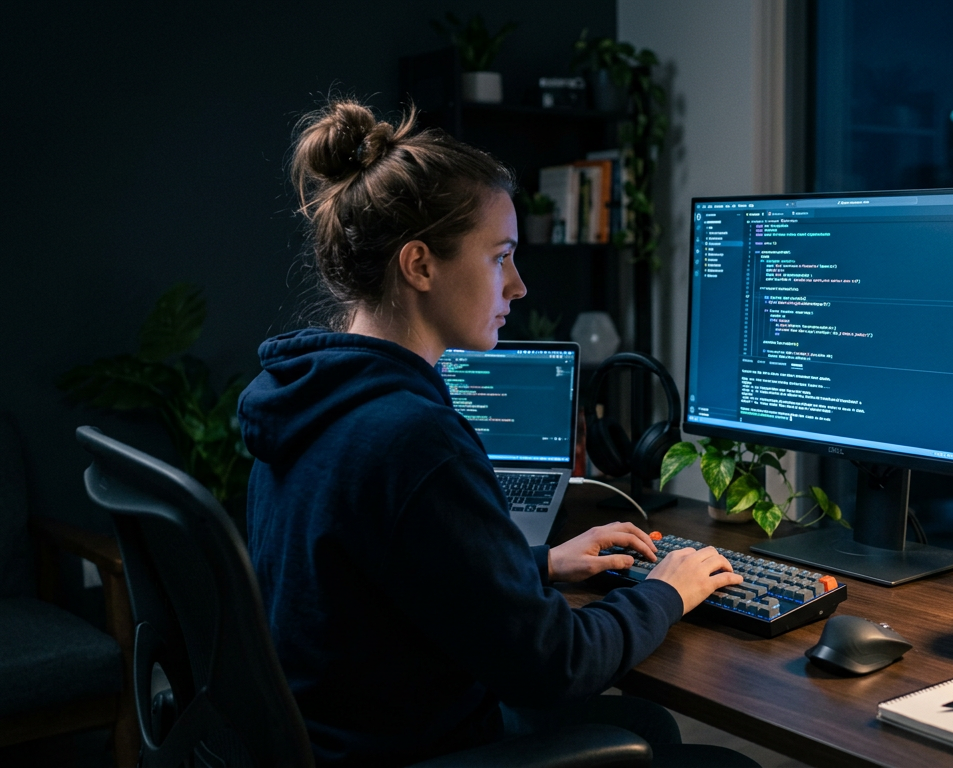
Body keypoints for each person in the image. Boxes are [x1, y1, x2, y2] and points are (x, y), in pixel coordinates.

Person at [238, 99, 753, 768]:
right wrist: (668, 590)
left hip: (343, 734)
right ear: (420, 265)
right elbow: (557, 665)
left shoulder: (307, 399)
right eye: (500, 257)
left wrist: (536, 564)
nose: (518, 284)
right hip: (414, 749)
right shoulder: (413, 437)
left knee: (646, 727)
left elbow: (371, 584)